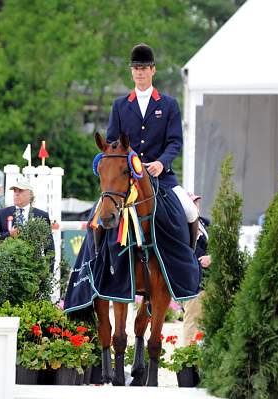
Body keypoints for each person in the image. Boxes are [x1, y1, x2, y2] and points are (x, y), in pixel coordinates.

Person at [106, 43, 200, 250]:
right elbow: (112, 143)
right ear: (132, 71)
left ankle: (191, 257)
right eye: (136, 69)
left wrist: (161, 163)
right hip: (127, 179)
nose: (139, 73)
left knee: (190, 211)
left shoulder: (168, 104)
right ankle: (95, 260)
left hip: (161, 176)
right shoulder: (120, 106)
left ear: (152, 70)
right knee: (99, 213)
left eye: (144, 68)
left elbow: (175, 141)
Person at [182, 193, 211, 345]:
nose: (196, 205)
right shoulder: (182, 226)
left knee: (205, 324)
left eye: (197, 202)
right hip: (194, 282)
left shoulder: (205, 223)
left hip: (209, 280)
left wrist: (212, 257)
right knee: (192, 322)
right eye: (193, 202)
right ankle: (187, 359)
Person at [0, 177, 52, 244]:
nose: (16, 194)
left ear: (30, 194)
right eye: (15, 191)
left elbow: (49, 242)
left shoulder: (42, 215)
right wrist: (9, 234)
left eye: (20, 190)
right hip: (8, 253)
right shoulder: (2, 213)